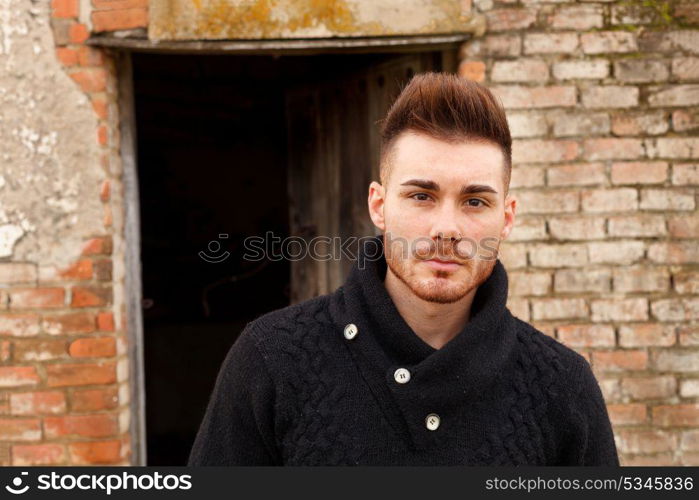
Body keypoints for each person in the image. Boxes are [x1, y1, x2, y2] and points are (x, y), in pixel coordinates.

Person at [187, 72, 620, 466]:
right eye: (421, 196)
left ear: (506, 218)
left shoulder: (562, 385)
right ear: (379, 205)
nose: (446, 228)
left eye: (474, 201)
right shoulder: (271, 359)